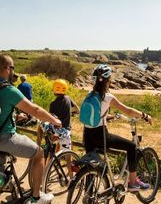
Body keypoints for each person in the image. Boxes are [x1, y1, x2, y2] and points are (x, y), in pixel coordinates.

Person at [0, 55, 62, 204]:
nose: (14, 71)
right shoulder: (9, 89)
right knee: (39, 153)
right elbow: (34, 109)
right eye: (12, 67)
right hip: (6, 139)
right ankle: (36, 196)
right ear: (6, 69)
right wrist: (54, 120)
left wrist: (14, 117)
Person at [82, 64, 152, 192]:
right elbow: (129, 111)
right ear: (108, 80)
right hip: (101, 136)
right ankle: (132, 182)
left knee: (91, 168)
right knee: (131, 147)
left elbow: (95, 113)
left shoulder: (89, 94)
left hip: (87, 135)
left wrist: (107, 117)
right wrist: (144, 115)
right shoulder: (108, 97)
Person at [49, 79, 79, 151]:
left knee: (42, 128)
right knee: (67, 153)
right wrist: (72, 113)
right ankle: (68, 161)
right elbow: (77, 109)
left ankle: (40, 144)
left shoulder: (53, 104)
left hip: (56, 130)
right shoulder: (68, 98)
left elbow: (50, 117)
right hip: (66, 130)